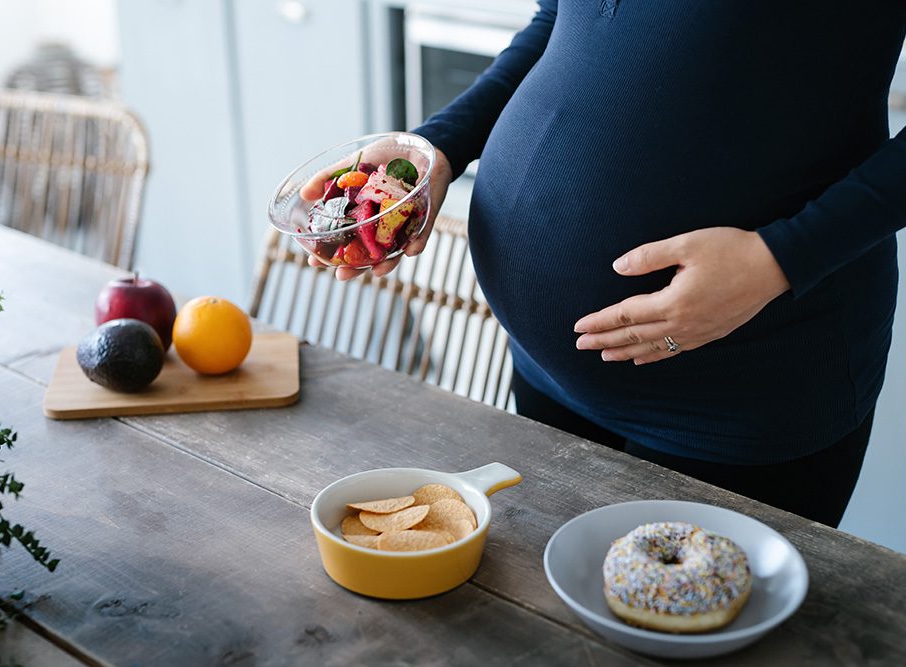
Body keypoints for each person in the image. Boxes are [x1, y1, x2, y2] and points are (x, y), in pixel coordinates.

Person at [314, 2, 906, 528]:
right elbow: (563, 21)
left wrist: (781, 257)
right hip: (549, 370)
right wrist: (438, 144)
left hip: (742, 395)